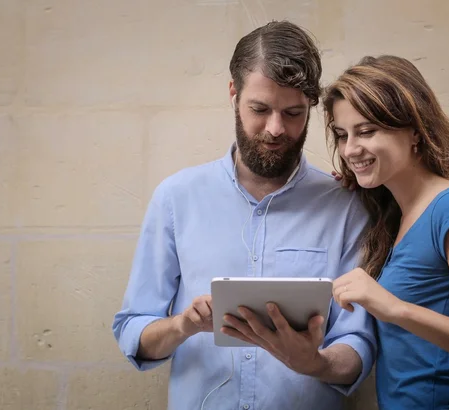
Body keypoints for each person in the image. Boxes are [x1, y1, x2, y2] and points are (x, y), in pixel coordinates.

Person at [112, 20, 376, 410]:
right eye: (260, 109)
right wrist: (182, 326)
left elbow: (359, 343)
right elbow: (133, 329)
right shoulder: (176, 198)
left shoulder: (345, 206)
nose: (275, 128)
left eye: (293, 113)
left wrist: (316, 362)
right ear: (233, 94)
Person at [323, 55, 449, 410]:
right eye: (343, 135)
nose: (351, 149)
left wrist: (395, 309)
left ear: (414, 130)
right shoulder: (395, 215)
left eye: (367, 131)